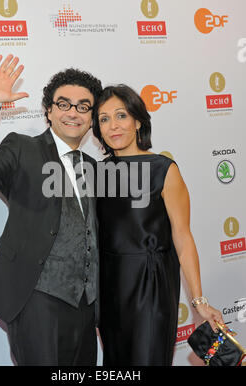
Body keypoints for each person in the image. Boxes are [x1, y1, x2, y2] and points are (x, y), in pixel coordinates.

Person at [0, 54, 102, 366]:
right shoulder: (22, 148)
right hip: (36, 299)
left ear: (91, 117)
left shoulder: (92, 168)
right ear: (48, 110)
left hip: (86, 305)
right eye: (63, 104)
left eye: (83, 106)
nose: (73, 113)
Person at [93, 84, 224, 366]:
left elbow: (183, 237)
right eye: (104, 119)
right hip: (108, 287)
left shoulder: (163, 169)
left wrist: (198, 302)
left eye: (121, 116)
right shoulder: (97, 173)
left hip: (150, 283)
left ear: (138, 121)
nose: (113, 125)